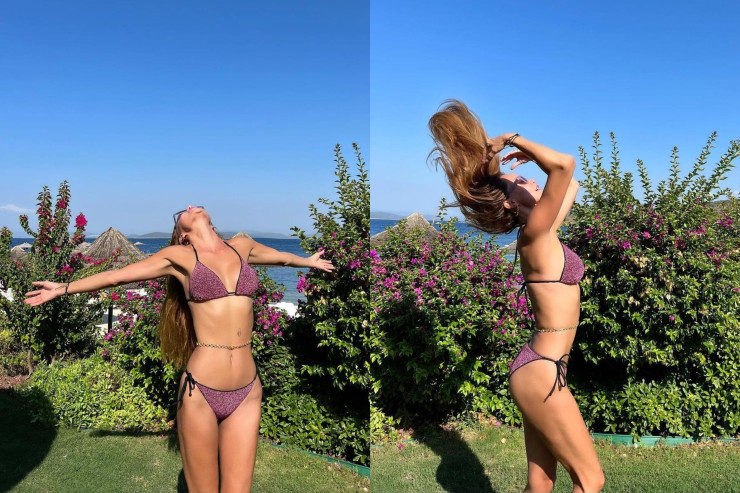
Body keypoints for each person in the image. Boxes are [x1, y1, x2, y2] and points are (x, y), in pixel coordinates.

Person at [24, 205, 334, 493]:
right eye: (182, 212)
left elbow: (281, 257)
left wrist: (308, 261)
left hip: (248, 391)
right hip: (201, 392)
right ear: (183, 233)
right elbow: (115, 277)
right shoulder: (179, 256)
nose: (190, 207)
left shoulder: (242, 246)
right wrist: (63, 288)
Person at [429, 100, 604, 493]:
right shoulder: (535, 234)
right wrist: (511, 139)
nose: (531, 180)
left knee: (540, 484)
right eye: (521, 180)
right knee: (591, 480)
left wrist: (526, 158)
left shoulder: (544, 231)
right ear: (510, 202)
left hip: (541, 367)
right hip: (541, 371)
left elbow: (570, 183)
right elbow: (564, 166)